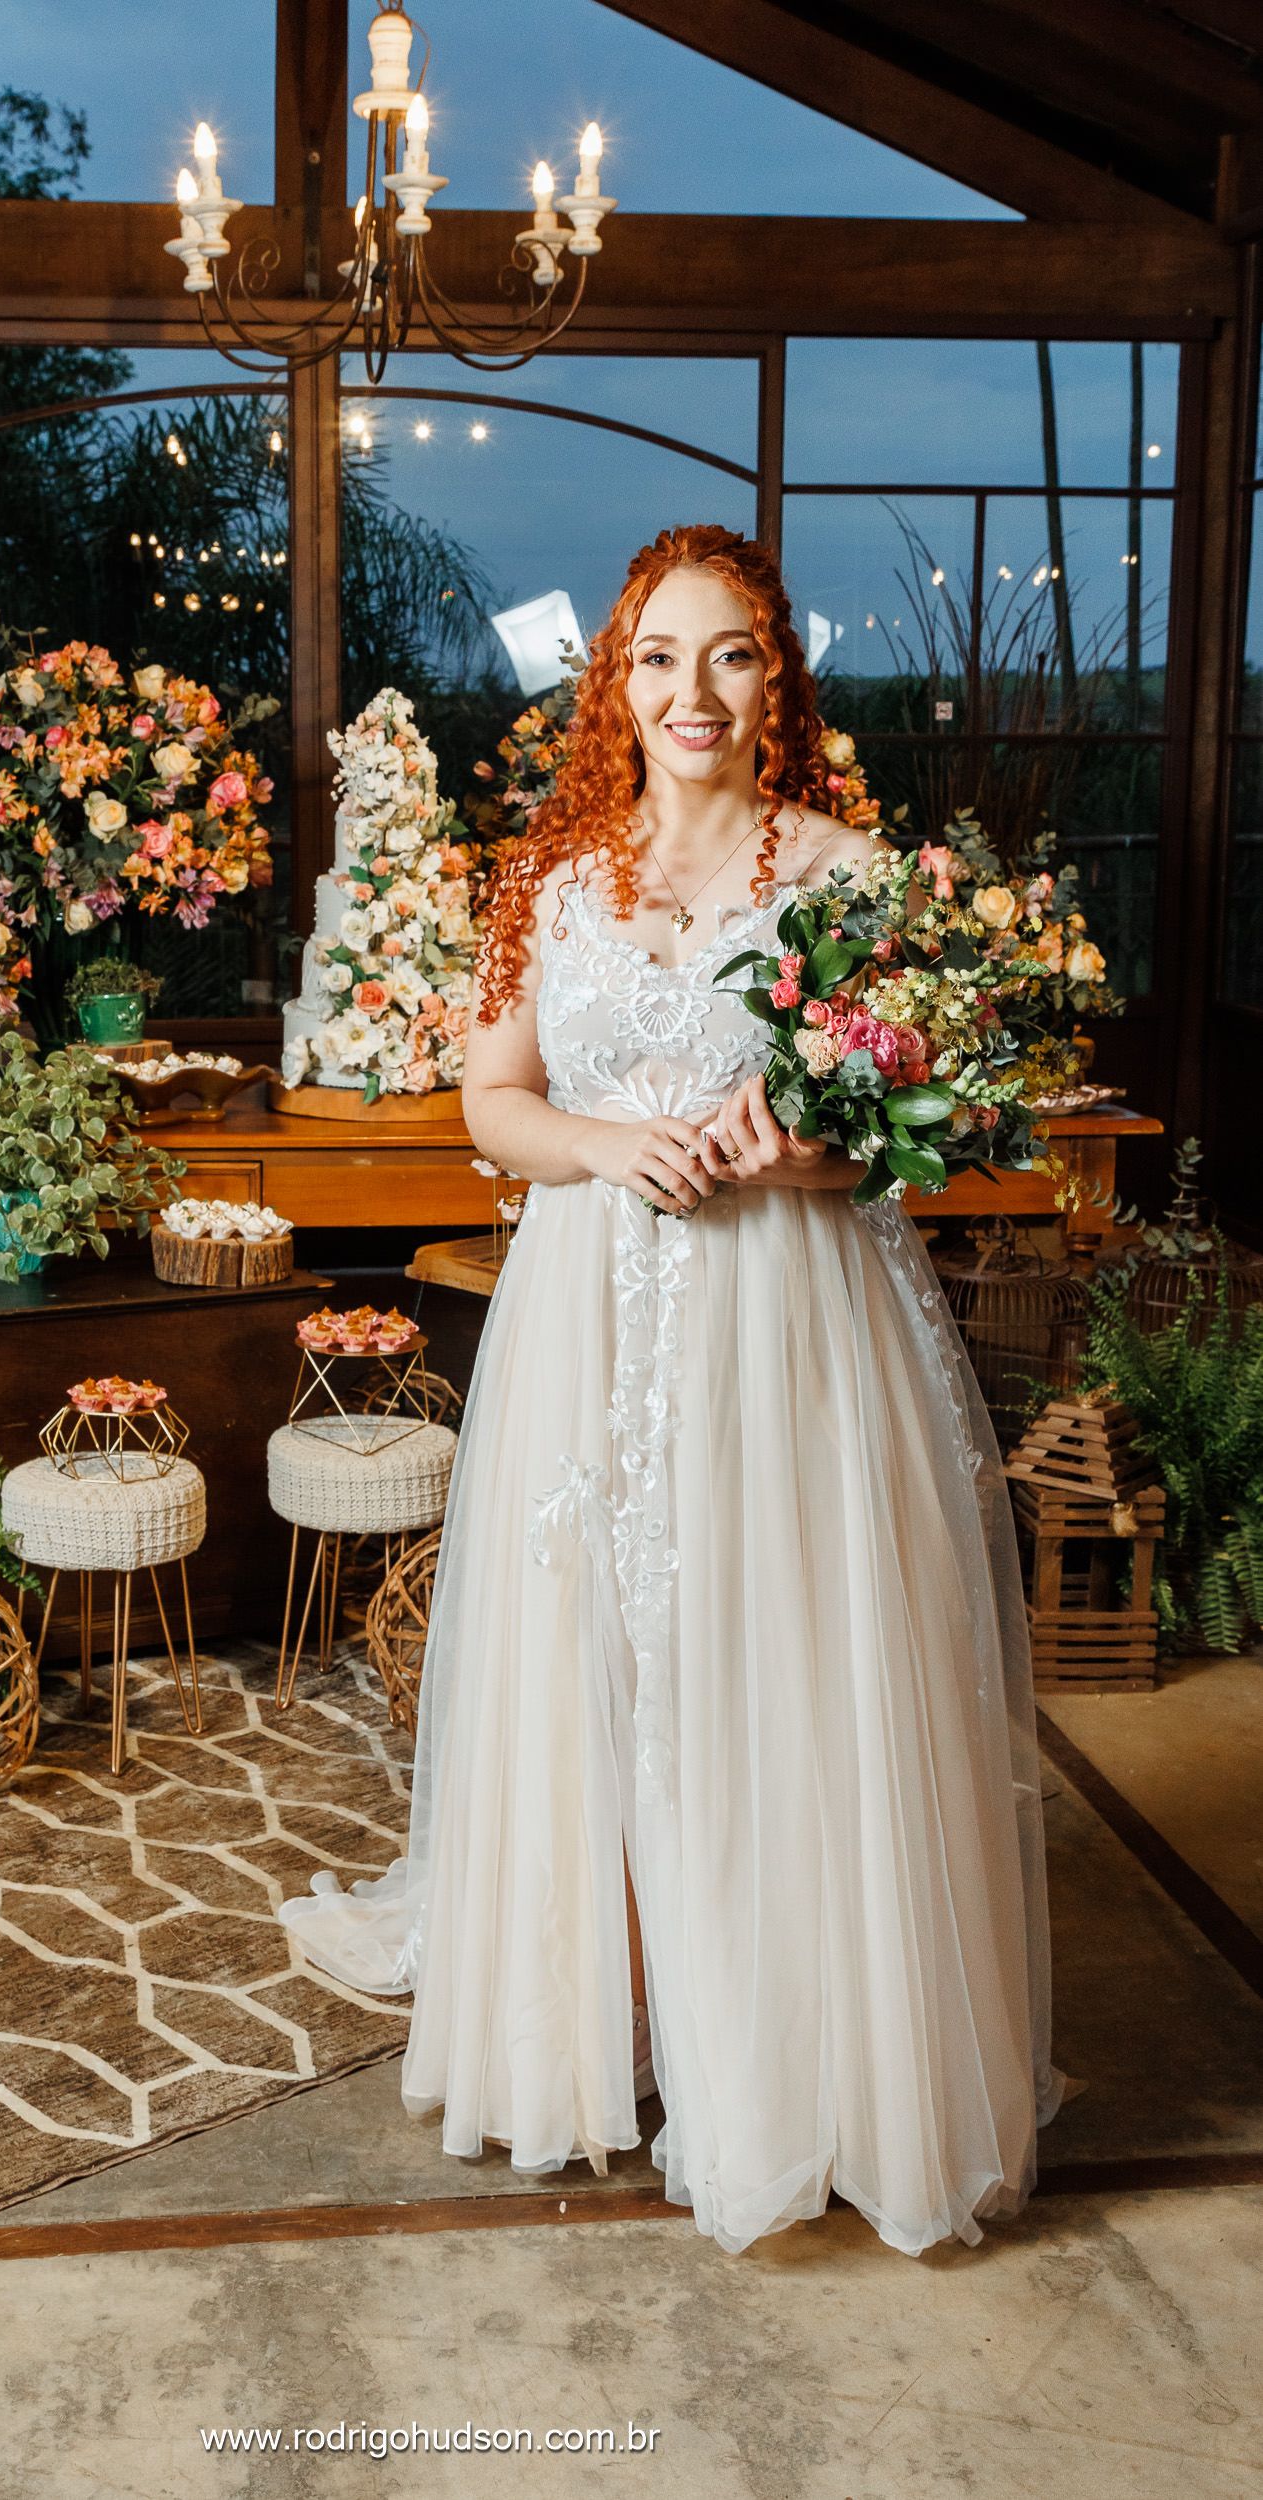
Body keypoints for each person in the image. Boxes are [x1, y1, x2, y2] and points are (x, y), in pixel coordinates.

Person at [277, 523, 1063, 2256]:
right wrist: (615, 1142)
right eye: (655, 657)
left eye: (726, 655)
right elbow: (493, 1106)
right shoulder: (544, 886)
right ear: (613, 684)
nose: (688, 690)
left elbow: (886, 1147)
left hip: (789, 1322)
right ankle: (606, 2017)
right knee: (593, 1655)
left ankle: (790, 2050)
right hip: (587, 1318)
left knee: (776, 1655)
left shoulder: (851, 880)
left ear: (774, 678)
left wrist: (782, 1155)